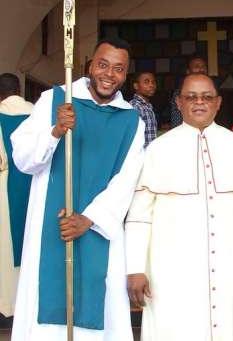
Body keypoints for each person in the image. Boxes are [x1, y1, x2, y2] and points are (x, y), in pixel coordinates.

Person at [11, 38, 145, 341]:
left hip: (98, 229)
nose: (109, 74)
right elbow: (22, 159)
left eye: (118, 69)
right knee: (45, 298)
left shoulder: (131, 119)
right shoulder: (54, 100)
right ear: (89, 66)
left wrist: (88, 219)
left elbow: (127, 179)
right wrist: (55, 131)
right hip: (50, 227)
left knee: (99, 300)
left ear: (126, 75)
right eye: (103, 64)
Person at [125, 73, 233, 341]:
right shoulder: (157, 150)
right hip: (171, 271)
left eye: (206, 97)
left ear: (218, 103)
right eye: (191, 97)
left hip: (230, 268)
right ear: (179, 103)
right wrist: (135, 268)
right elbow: (138, 216)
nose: (199, 103)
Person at [0, 73, 33, 317]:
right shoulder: (37, 113)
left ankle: (7, 304)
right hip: (35, 183)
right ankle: (29, 303)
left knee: (6, 245)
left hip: (5, 186)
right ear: (19, 89)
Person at [170, 56, 207, 127]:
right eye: (197, 66)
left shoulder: (212, 92)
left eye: (203, 66)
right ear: (188, 71)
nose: (201, 69)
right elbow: (176, 122)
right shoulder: (180, 93)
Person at [130, 71, 157, 148]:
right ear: (136, 86)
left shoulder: (147, 106)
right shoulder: (135, 107)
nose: (151, 85)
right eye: (146, 82)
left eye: (153, 82)